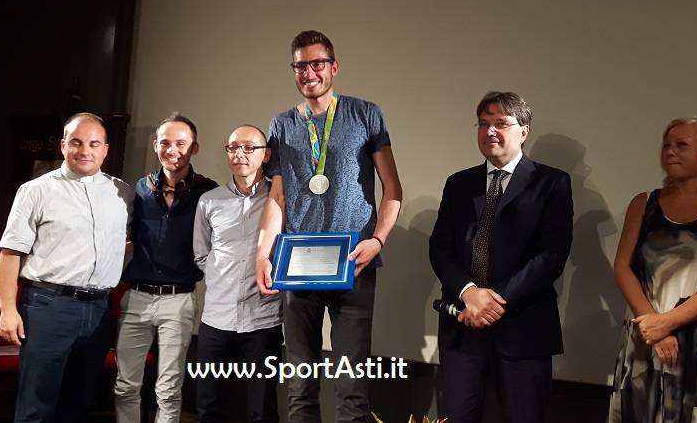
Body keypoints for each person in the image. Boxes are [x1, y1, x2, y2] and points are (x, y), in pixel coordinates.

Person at [256, 30, 403, 422]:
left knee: (351, 385)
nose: (309, 72)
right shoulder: (282, 123)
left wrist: (378, 241)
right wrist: (262, 254)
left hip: (354, 259)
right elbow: (278, 196)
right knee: (300, 383)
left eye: (317, 63)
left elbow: (392, 188)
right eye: (300, 65)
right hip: (297, 262)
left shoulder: (365, 114)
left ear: (333, 67)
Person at [429, 91, 573, 423]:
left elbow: (551, 255)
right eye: (483, 123)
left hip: (524, 329)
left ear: (523, 131)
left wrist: (492, 301)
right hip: (462, 328)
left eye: (501, 123)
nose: (490, 131)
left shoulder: (551, 183)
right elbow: (440, 247)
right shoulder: (459, 183)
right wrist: (469, 293)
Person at [0, 112, 131, 422]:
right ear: (62, 145)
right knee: (36, 405)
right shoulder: (36, 190)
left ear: (105, 149)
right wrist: (7, 309)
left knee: (78, 403)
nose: (86, 150)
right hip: (48, 307)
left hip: (99, 309)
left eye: (94, 143)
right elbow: (10, 252)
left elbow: (127, 242)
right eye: (77, 142)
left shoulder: (121, 192)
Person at [608, 118, 697, 423]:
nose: (671, 151)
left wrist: (668, 323)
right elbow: (622, 267)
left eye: (682, 145)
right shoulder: (644, 203)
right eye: (667, 145)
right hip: (645, 340)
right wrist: (655, 328)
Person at [114, 112, 216, 423]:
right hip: (137, 297)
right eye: (165, 143)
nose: (172, 150)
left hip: (179, 298)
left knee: (169, 390)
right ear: (156, 145)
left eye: (181, 144)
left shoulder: (208, 192)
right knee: (124, 386)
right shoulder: (140, 189)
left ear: (194, 148)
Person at [194, 125, 283, 423]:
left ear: (266, 155)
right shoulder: (209, 201)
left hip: (263, 319)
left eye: (249, 147)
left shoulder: (279, 199)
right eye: (233, 147)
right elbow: (201, 254)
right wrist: (225, 279)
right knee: (209, 405)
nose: (239, 154)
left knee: (261, 408)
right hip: (215, 320)